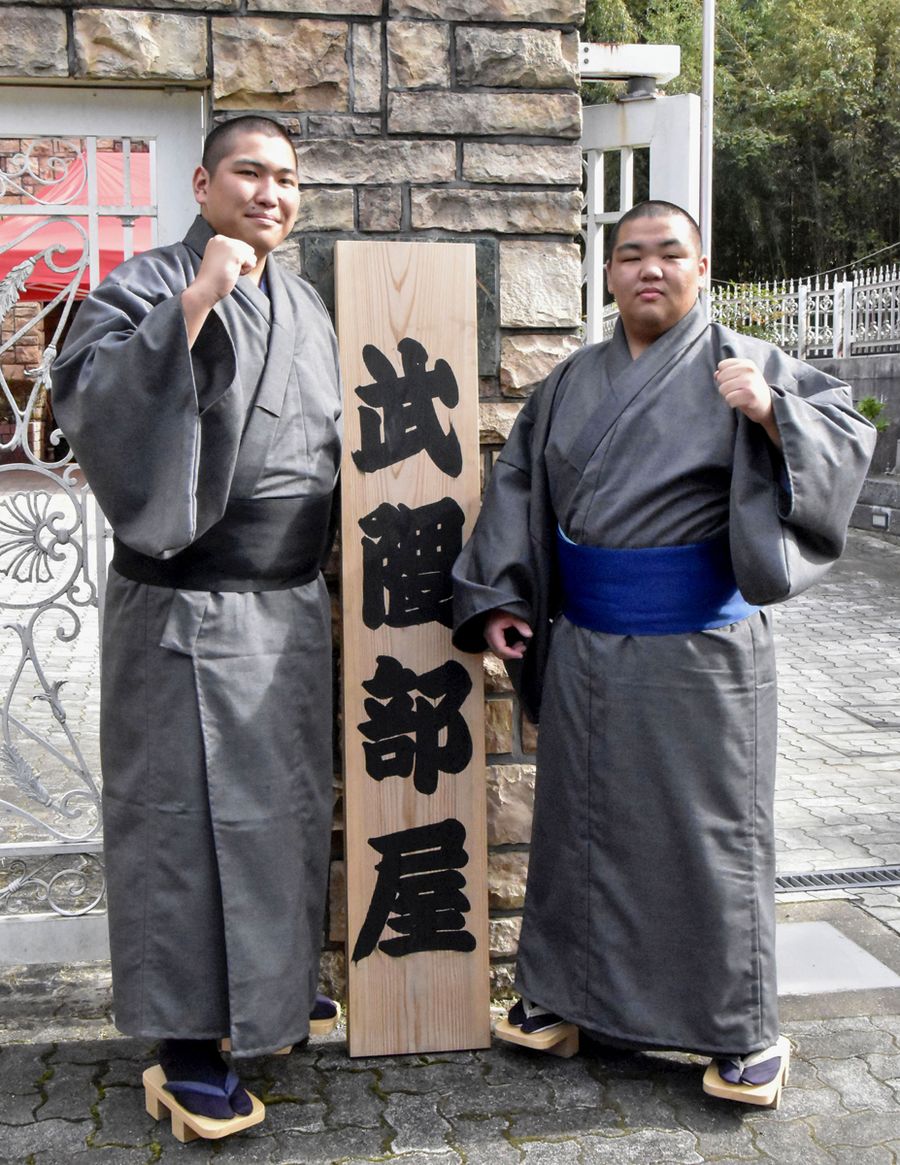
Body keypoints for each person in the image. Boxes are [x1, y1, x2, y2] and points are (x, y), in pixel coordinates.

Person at [452, 201, 875, 1105]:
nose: (650, 270)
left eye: (668, 254)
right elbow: (517, 485)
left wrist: (771, 416)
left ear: (702, 265)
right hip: (589, 647)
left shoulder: (748, 364)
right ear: (607, 275)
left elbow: (846, 438)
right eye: (631, 256)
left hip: (703, 651)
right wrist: (502, 598)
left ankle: (741, 1027)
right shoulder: (571, 382)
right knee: (579, 829)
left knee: (709, 837)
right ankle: (565, 997)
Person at [52, 116, 342, 1138]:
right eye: (249, 173)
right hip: (181, 606)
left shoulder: (305, 304)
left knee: (282, 815)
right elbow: (89, 406)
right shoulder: (139, 285)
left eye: (287, 178)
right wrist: (199, 300)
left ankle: (266, 995)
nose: (270, 193)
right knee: (180, 823)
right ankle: (182, 1049)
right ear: (202, 182)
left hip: (287, 608)